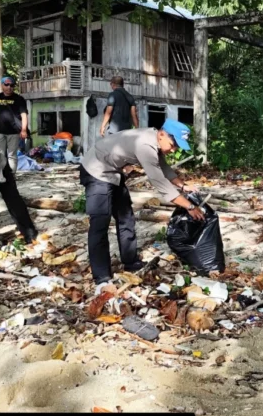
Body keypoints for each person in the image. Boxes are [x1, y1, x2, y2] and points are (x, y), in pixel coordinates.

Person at [80, 118, 201, 295]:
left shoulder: (154, 142)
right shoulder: (146, 145)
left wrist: (183, 186)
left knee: (126, 218)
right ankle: (102, 277)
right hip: (96, 169)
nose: (174, 149)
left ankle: (130, 262)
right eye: (173, 144)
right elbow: (160, 183)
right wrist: (190, 207)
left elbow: (164, 168)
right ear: (161, 134)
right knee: (100, 223)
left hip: (113, 172)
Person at [0, 76, 28, 173]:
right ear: (2, 85)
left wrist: (24, 130)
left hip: (14, 132)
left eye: (12, 85)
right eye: (6, 85)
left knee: (12, 155)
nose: (9, 87)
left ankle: (11, 176)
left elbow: (24, 115)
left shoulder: (19, 99)